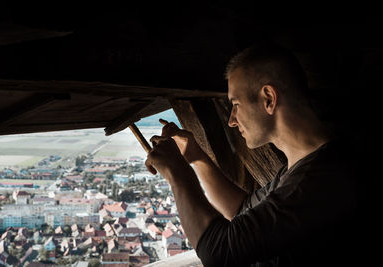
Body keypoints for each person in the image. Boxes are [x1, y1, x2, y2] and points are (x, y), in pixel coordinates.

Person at [145, 42, 374, 266]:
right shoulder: (306, 167)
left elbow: (220, 252)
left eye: (235, 104)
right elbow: (242, 209)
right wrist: (196, 156)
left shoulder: (323, 178)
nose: (232, 120)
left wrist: (177, 172)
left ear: (268, 99)